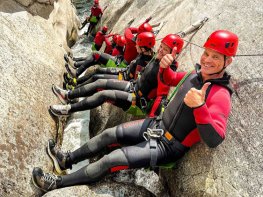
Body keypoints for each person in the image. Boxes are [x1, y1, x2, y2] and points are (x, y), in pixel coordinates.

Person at [32, 30, 238, 192]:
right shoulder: (196, 73)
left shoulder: (220, 94)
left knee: (110, 160)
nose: (207, 60)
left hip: (168, 146)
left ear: (227, 62)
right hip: (157, 124)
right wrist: (165, 68)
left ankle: (57, 183)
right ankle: (66, 160)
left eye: (216, 57)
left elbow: (215, 139)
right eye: (206, 53)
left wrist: (200, 107)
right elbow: (170, 80)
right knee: (108, 135)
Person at [50, 32, 158, 117]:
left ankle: (69, 106)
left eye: (138, 44)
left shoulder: (146, 63)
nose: (135, 46)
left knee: (102, 91)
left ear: (144, 48)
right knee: (97, 78)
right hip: (129, 83)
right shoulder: (146, 56)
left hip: (134, 96)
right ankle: (69, 94)